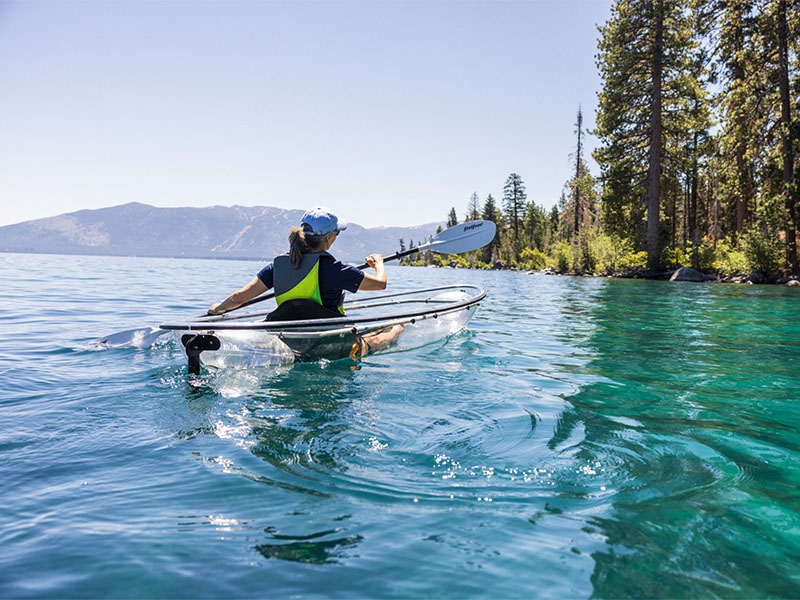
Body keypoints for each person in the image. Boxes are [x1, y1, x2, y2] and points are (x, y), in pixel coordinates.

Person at [207, 206, 387, 318]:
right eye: (337, 233)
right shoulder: (337, 270)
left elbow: (239, 297)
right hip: (327, 335)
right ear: (330, 237)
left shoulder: (277, 266)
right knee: (388, 333)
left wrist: (219, 308)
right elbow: (380, 285)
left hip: (287, 333)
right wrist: (378, 263)